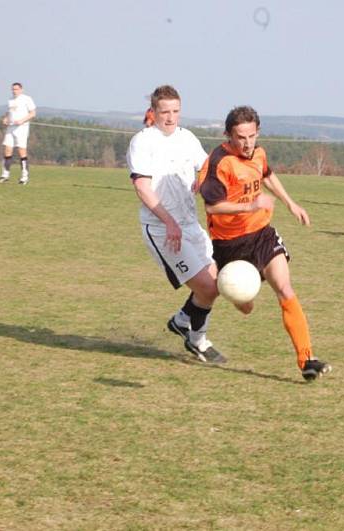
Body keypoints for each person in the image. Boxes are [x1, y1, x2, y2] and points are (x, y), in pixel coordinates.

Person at [199, 105, 332, 381]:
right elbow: (212, 207)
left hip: (261, 234)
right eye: (240, 137)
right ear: (228, 135)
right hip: (230, 245)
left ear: (257, 132)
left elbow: (268, 175)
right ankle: (236, 295)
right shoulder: (219, 162)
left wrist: (291, 203)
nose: (247, 143)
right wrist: (250, 205)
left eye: (251, 136)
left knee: (285, 288)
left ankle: (307, 359)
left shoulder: (258, 153)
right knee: (245, 304)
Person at [127, 84, 226, 364]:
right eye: (164, 112)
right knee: (207, 288)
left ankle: (182, 320)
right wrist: (169, 222)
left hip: (190, 224)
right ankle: (198, 341)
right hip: (161, 230)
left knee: (215, 283)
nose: (170, 118)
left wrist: (204, 178)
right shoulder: (142, 142)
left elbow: (209, 168)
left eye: (175, 111)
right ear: (153, 112)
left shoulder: (187, 138)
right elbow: (143, 189)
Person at [0, 82, 36, 184]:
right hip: (11, 127)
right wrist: (5, 118)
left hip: (21, 128)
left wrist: (22, 121)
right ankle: (5, 175)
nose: (14, 91)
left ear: (21, 90)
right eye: (13, 89)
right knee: (7, 150)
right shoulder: (10, 100)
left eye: (16, 89)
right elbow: (9, 112)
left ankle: (24, 176)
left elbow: (33, 113)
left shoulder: (27, 99)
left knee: (21, 151)